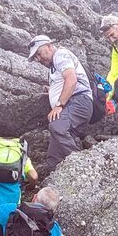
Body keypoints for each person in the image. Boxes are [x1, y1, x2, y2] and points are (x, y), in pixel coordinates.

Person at [28, 35, 93, 172]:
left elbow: (71, 79)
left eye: (39, 54)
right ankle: (55, 174)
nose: (39, 59)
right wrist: (52, 91)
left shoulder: (60, 55)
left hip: (78, 101)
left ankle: (82, 165)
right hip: (71, 105)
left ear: (49, 46)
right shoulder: (54, 65)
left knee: (57, 127)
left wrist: (59, 105)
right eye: (35, 58)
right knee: (53, 159)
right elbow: (64, 81)